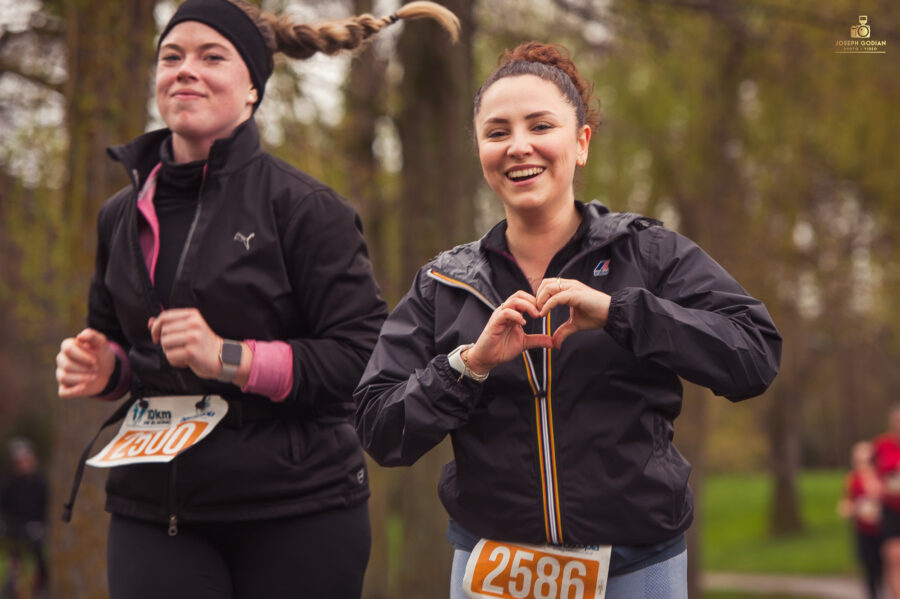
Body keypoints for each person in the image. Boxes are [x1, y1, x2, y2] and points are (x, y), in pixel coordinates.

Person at [53, 1, 458, 597]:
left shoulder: (305, 208)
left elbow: (362, 357)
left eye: (211, 57)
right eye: (172, 57)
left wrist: (228, 357)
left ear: (251, 91)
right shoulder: (119, 216)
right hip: (153, 511)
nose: (185, 70)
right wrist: (105, 366)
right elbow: (123, 346)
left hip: (297, 510)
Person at [354, 41, 782, 598]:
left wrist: (619, 313)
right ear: (480, 151)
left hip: (637, 566)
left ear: (580, 143)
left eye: (540, 125)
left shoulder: (648, 254)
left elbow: (754, 355)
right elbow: (378, 427)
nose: (519, 146)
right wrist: (468, 365)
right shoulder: (445, 282)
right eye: (497, 131)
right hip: (492, 566)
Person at [1, 439, 49, 597]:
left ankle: (41, 583)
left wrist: (40, 524)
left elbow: (44, 508)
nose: (23, 464)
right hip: (14, 526)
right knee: (15, 551)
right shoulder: (10, 482)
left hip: (35, 527)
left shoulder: (40, 482)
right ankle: (13, 582)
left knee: (37, 551)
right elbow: (4, 505)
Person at [839, 441, 883, 599]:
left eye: (866, 459)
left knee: (882, 567)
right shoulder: (851, 478)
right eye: (859, 460)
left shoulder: (880, 475)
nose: (862, 463)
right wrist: (851, 509)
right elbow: (846, 502)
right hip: (862, 529)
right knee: (869, 567)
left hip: (883, 528)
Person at [874, 405, 900, 599]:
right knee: (893, 557)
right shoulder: (881, 445)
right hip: (890, 509)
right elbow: (865, 471)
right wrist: (879, 488)